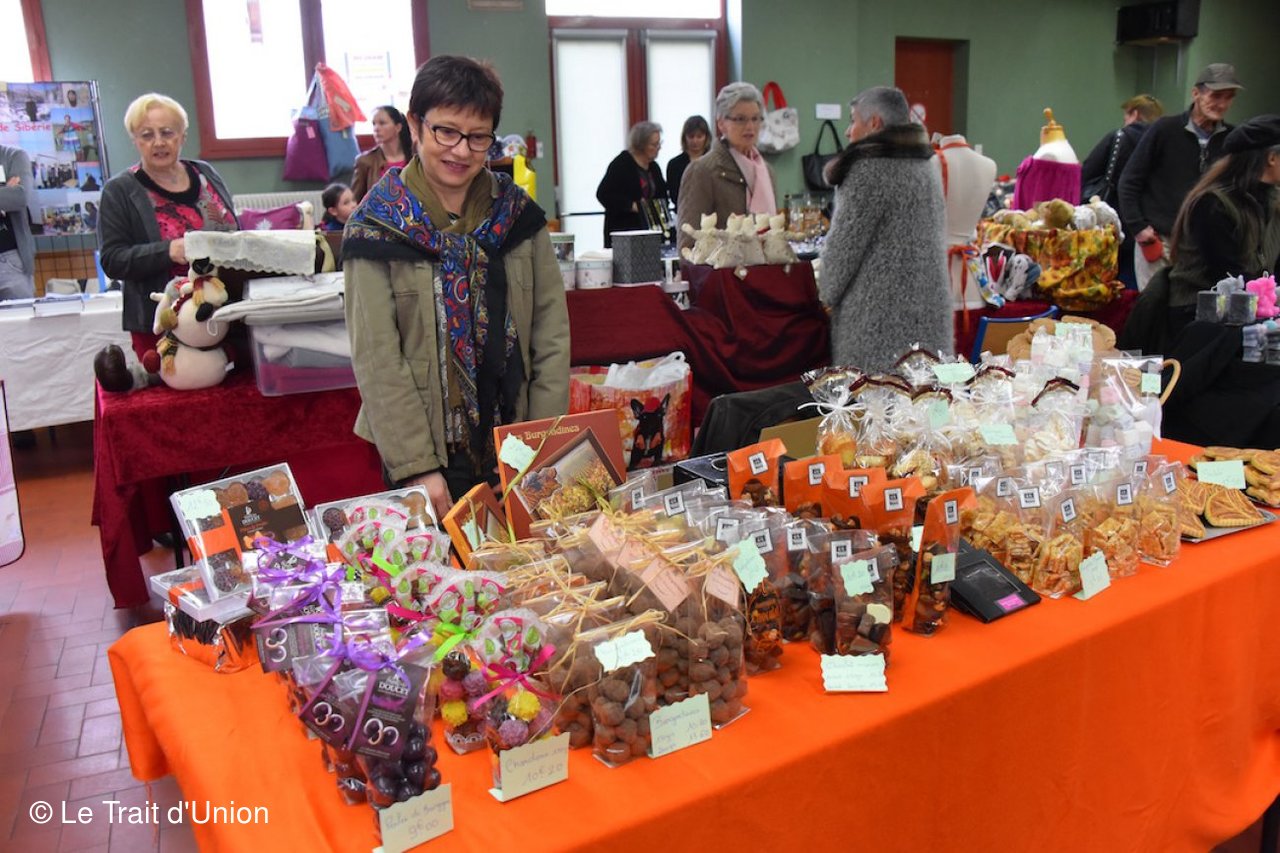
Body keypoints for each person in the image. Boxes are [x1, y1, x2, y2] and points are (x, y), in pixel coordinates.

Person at [343, 55, 570, 521]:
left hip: (515, 445)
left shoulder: (518, 217)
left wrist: (538, 447)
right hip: (428, 455)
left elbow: (550, 335)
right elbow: (378, 359)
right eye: (446, 131)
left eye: (478, 137)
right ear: (415, 125)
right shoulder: (376, 226)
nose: (461, 151)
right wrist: (418, 468)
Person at [818, 86, 951, 371]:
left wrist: (825, 292)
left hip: (877, 323)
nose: (848, 131)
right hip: (930, 313)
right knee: (924, 391)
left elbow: (844, 250)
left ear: (874, 123)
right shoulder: (927, 164)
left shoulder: (867, 169)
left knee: (876, 395)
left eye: (853, 120)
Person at [98, 93, 238, 360]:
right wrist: (168, 251)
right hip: (161, 325)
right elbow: (112, 260)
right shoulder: (119, 191)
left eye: (167, 132)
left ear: (183, 136)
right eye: (147, 135)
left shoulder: (206, 174)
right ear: (134, 140)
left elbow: (235, 231)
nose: (158, 142)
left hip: (223, 314)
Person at [1118, 63, 1243, 290]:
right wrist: (1139, 227)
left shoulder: (1233, 139)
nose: (1222, 104)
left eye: (1229, 97)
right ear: (1196, 93)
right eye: (1216, 96)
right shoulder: (1165, 129)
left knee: (1195, 306)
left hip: (1204, 245)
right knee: (1154, 304)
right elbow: (1129, 180)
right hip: (1160, 239)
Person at [1164, 115, 1280, 335]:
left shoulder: (1274, 202)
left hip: (1254, 312)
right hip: (1200, 315)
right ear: (1272, 158)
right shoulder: (1213, 203)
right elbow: (1226, 273)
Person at [676, 82, 777, 252]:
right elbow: (688, 246)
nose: (750, 126)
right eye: (740, 119)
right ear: (721, 123)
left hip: (765, 266)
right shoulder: (703, 170)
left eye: (755, 118)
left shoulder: (767, 171)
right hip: (723, 268)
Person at [1080, 94, 1164, 289]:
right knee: (1136, 283)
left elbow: (1088, 171)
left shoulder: (1119, 137)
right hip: (1146, 223)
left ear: (1134, 114)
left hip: (1111, 217)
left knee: (1105, 281)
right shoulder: (1162, 144)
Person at [595, 121, 669, 247]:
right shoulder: (621, 164)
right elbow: (603, 194)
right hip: (624, 230)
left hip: (649, 231)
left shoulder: (654, 167)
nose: (658, 148)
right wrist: (631, 205)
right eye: (654, 144)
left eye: (659, 143)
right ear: (641, 145)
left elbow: (662, 195)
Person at [351, 105, 412, 201]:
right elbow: (354, 201)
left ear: (398, 127)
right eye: (374, 124)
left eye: (382, 123)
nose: (376, 128)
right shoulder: (365, 161)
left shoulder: (415, 158)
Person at [0, 144, 35, 300]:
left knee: (22, 315)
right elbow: (9, 197)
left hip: (10, 260)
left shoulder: (13, 156)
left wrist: (10, 196)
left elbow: (19, 197)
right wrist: (4, 193)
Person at [665, 115, 711, 209]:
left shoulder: (714, 161)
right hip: (683, 211)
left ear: (706, 137)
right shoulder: (674, 164)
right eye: (691, 136)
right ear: (684, 138)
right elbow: (674, 195)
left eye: (699, 136)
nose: (695, 141)